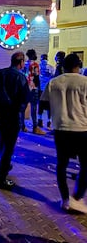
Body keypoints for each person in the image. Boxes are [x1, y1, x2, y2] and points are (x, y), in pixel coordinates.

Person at [40, 53, 87, 213]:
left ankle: (65, 199)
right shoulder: (84, 81)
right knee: (85, 165)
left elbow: (44, 104)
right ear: (77, 66)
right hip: (82, 127)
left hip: (60, 128)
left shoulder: (53, 83)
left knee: (62, 165)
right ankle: (78, 197)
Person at [0, 51, 30, 190]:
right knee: (9, 146)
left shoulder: (0, 73)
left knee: (3, 141)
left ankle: (5, 165)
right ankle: (2, 177)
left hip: (0, 114)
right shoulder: (21, 77)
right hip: (13, 115)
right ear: (21, 62)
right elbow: (25, 98)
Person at [22, 49, 45, 135]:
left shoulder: (25, 64)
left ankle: (22, 126)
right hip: (33, 88)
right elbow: (36, 76)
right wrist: (38, 88)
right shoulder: (35, 65)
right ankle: (35, 127)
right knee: (34, 107)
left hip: (25, 88)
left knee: (23, 108)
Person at [37, 54, 54, 129]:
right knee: (49, 107)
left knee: (40, 106)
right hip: (48, 89)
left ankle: (40, 121)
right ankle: (49, 122)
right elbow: (53, 76)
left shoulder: (38, 66)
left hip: (40, 89)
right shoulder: (51, 67)